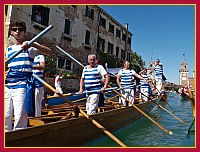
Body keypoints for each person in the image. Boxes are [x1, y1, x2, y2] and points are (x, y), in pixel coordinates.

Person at [5, 20, 52, 132]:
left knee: (20, 113)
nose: (17, 31)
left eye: (20, 30)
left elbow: (49, 52)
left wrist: (34, 44)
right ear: (11, 32)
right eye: (14, 29)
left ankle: (19, 135)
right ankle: (6, 135)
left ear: (24, 33)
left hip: (22, 84)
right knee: (5, 114)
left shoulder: (31, 47)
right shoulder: (9, 49)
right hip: (8, 84)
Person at [32, 49, 45, 116]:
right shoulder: (29, 57)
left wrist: (31, 66)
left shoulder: (40, 57)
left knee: (37, 100)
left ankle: (37, 116)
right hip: (30, 81)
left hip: (38, 81)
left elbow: (42, 66)